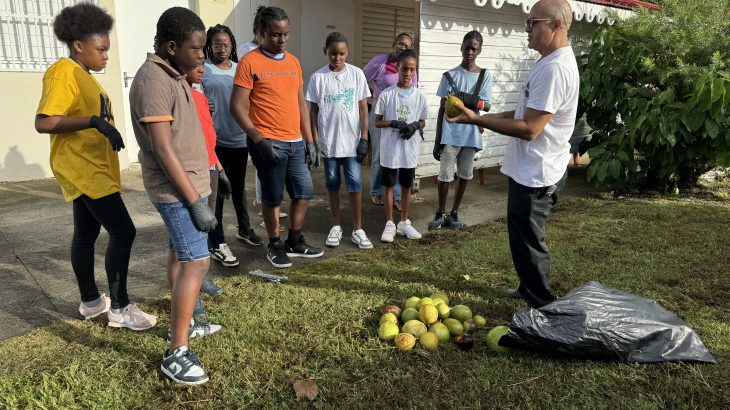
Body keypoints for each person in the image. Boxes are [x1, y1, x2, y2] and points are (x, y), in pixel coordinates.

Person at [447, 0, 580, 308]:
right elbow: (523, 113)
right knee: (521, 237)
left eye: (532, 22)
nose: (526, 28)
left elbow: (530, 128)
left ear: (556, 25)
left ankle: (541, 305)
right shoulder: (547, 61)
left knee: (529, 241)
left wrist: (478, 121)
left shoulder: (555, 69)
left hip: (537, 173)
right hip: (530, 168)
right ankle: (528, 288)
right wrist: (477, 116)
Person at [34, 3, 157, 331]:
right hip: (84, 169)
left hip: (94, 168)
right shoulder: (64, 72)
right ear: (78, 45)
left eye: (107, 50)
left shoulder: (85, 77)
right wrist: (93, 122)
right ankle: (120, 307)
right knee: (124, 231)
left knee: (86, 235)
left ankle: (91, 303)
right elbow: (44, 122)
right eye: (101, 50)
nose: (106, 56)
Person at [129, 7, 222, 385]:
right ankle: (176, 353)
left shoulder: (174, 75)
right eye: (196, 48)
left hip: (191, 185)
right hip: (176, 191)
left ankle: (187, 326)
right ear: (171, 47)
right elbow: (163, 149)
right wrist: (195, 201)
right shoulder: (153, 79)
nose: (202, 55)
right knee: (196, 262)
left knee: (179, 255)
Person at [230, 6, 324, 269]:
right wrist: (258, 140)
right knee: (273, 197)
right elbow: (236, 106)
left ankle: (294, 241)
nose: (281, 40)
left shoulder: (293, 62)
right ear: (261, 33)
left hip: (295, 141)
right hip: (268, 142)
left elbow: (301, 105)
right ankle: (274, 243)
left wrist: (311, 141)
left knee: (304, 192)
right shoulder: (249, 62)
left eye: (285, 34)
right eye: (275, 35)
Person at [306, 32, 373, 249]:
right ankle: (335, 226)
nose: (337, 58)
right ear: (325, 51)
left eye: (342, 54)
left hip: (352, 143)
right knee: (332, 184)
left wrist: (364, 137)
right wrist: (315, 141)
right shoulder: (318, 78)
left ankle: (358, 229)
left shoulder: (357, 74)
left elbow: (363, 108)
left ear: (347, 53)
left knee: (355, 184)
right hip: (329, 144)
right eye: (333, 53)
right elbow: (313, 111)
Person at [203, 24, 262, 271]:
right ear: (209, 46)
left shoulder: (241, 68)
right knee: (217, 192)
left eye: (226, 44)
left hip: (239, 139)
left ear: (232, 46)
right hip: (215, 141)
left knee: (238, 188)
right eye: (217, 44)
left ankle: (244, 229)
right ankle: (217, 241)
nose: (222, 48)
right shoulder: (203, 69)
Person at [429, 31, 493, 230]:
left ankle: (454, 212)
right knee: (445, 176)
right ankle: (441, 212)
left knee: (464, 175)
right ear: (461, 47)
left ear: (479, 50)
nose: (470, 52)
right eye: (467, 47)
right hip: (450, 135)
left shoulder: (484, 75)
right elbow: (442, 110)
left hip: (471, 135)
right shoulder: (449, 76)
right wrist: (437, 140)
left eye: (474, 48)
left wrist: (461, 98)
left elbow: (486, 106)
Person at [184, 62, 230, 319]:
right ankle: (192, 297)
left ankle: (202, 278)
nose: (201, 69)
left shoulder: (200, 96)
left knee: (205, 231)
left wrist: (219, 168)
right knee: (191, 235)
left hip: (211, 167)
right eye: (196, 65)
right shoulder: (181, 97)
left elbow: (208, 136)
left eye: (203, 65)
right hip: (194, 172)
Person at [373, 49, 428, 243]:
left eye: (412, 69)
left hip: (409, 150)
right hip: (390, 150)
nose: (407, 73)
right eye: (404, 69)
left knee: (406, 186)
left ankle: (404, 222)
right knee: (389, 186)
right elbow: (377, 122)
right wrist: (393, 123)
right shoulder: (387, 94)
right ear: (397, 68)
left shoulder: (420, 96)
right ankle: (390, 223)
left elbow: (423, 120)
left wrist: (415, 126)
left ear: (415, 71)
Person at [363, 33, 417, 210]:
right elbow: (361, 79)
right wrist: (371, 97)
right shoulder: (379, 62)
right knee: (379, 155)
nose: (402, 47)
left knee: (399, 155)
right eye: (400, 43)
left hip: (401, 116)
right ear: (394, 44)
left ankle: (398, 195)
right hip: (379, 115)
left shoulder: (409, 66)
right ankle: (376, 190)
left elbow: (413, 91)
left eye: (406, 45)